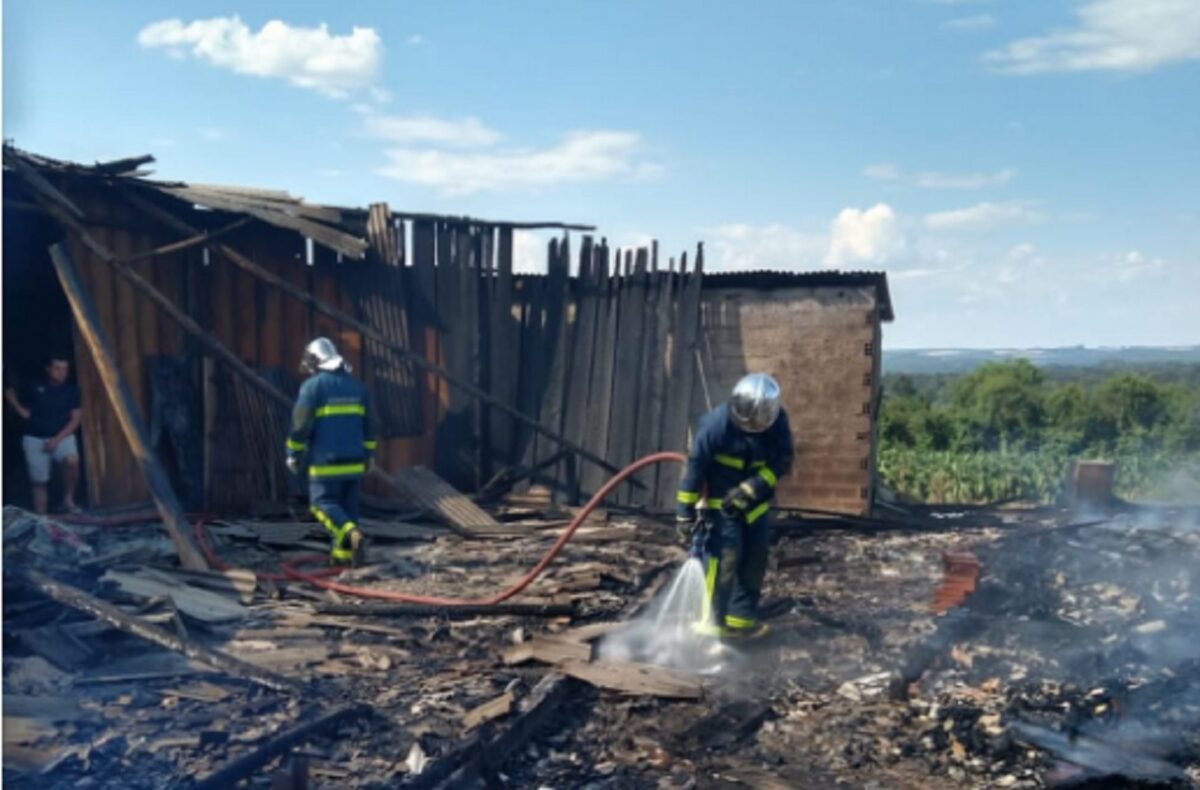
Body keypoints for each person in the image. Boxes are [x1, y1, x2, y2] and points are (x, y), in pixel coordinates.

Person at [676, 373, 793, 639]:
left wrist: (753, 488)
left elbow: (783, 461)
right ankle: (711, 622)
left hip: (756, 508)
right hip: (721, 507)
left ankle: (741, 619)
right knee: (724, 560)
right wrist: (684, 514)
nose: (752, 424)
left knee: (754, 560)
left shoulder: (778, 423)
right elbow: (694, 468)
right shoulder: (716, 426)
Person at [285, 337, 377, 566]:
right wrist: (369, 456)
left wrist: (293, 453)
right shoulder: (358, 387)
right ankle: (343, 558)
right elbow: (370, 425)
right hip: (355, 463)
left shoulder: (312, 387)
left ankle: (351, 534)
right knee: (347, 509)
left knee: (322, 505)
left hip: (325, 462)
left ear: (316, 362)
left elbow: (301, 426)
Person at [5, 357, 83, 514]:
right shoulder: (34, 387)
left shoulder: (71, 390)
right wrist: (13, 403)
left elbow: (76, 419)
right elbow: (27, 415)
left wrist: (56, 440)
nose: (62, 373)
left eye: (65, 369)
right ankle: (42, 517)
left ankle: (68, 499)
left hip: (62, 436)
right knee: (39, 481)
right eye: (57, 368)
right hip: (34, 438)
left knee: (72, 460)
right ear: (48, 369)